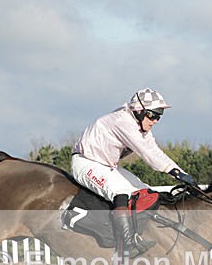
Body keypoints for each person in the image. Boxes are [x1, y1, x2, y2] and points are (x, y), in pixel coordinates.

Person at [71, 87, 197, 256]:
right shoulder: (124, 122)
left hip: (105, 165)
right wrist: (176, 173)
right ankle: (127, 244)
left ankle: (137, 233)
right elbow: (148, 153)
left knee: (143, 190)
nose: (156, 120)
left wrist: (182, 173)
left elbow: (154, 149)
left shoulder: (139, 126)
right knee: (121, 191)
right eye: (152, 115)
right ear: (138, 111)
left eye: (159, 115)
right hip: (85, 163)